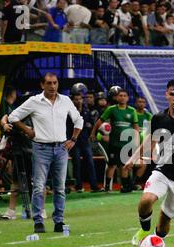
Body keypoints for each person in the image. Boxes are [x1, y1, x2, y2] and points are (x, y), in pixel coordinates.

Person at [125, 79, 174, 246]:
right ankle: (144, 230)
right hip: (163, 170)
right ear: (166, 95)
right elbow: (149, 142)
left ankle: (156, 242)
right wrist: (132, 158)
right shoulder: (159, 118)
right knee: (146, 200)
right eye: (172, 94)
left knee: (165, 220)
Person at [8, 72, 84, 233]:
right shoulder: (34, 101)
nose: (52, 86)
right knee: (38, 186)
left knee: (60, 187)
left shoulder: (65, 100)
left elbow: (78, 120)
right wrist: (27, 130)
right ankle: (38, 221)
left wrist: (73, 139)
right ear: (42, 85)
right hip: (41, 147)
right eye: (49, 83)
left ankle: (59, 220)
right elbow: (13, 117)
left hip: (61, 148)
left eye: (55, 83)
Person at [90, 88, 139, 193]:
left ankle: (124, 187)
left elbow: (135, 127)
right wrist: (93, 133)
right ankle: (107, 187)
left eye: (124, 96)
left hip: (126, 144)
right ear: (117, 97)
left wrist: (136, 141)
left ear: (128, 98)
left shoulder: (132, 111)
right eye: (120, 95)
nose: (122, 97)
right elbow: (100, 121)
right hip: (114, 143)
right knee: (112, 165)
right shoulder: (111, 109)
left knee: (124, 165)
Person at [69, 91, 100, 193]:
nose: (78, 101)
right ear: (72, 100)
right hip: (74, 142)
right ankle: (78, 186)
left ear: (82, 100)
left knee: (90, 163)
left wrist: (91, 134)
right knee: (77, 163)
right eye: (76, 99)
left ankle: (94, 186)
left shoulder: (87, 112)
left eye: (80, 99)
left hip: (85, 141)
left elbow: (91, 125)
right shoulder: (70, 113)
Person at [133, 96, 152, 189]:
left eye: (143, 102)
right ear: (136, 103)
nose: (141, 104)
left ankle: (139, 182)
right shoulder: (133, 113)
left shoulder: (148, 115)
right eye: (139, 102)